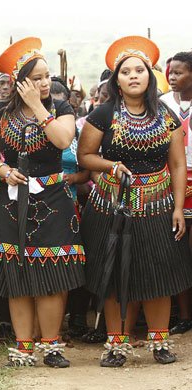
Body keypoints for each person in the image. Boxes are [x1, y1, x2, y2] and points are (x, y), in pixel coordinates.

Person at [78, 36, 192, 367]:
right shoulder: (103, 114)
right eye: (125, 71)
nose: (133, 76)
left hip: (158, 204)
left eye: (139, 70)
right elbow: (86, 156)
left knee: (159, 273)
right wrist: (111, 166)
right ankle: (117, 344)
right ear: (116, 80)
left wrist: (177, 207)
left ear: (149, 76)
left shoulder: (167, 115)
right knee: (115, 274)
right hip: (112, 205)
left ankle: (159, 340)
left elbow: (178, 163)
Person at [0, 37, 85, 368]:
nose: (43, 82)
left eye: (46, 76)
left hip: (53, 200)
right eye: (36, 77)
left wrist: (39, 107)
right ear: (20, 80)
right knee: (16, 274)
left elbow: (63, 139)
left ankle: (51, 346)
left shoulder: (61, 108)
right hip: (11, 201)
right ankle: (23, 347)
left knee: (52, 273)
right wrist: (4, 169)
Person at [160, 52, 192, 335]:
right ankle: (183, 316)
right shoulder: (162, 104)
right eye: (170, 72)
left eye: (179, 73)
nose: (172, 77)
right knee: (176, 250)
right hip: (170, 182)